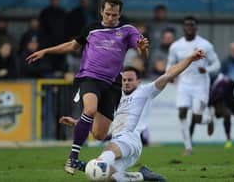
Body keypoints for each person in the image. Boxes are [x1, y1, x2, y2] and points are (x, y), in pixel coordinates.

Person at [26, 0, 149, 175]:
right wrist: (45, 51)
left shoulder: (128, 30)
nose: (111, 18)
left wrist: (143, 48)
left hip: (113, 84)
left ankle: (78, 124)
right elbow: (72, 46)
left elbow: (142, 55)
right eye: (107, 13)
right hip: (89, 77)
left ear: (120, 14)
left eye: (114, 15)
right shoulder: (91, 29)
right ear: (101, 11)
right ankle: (73, 157)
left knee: (99, 134)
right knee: (90, 110)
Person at [59, 49, 205, 181]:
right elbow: (102, 129)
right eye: (124, 80)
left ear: (138, 81)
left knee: (101, 163)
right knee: (110, 177)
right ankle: (142, 175)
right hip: (128, 146)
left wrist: (190, 58)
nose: (126, 83)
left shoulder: (145, 91)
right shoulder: (116, 98)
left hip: (128, 140)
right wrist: (77, 123)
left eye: (130, 80)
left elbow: (169, 74)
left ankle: (87, 166)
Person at [166, 16, 221, 155]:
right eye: (187, 25)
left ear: (197, 28)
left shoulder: (205, 45)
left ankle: (208, 119)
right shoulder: (176, 46)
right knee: (182, 112)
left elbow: (217, 64)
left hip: (200, 84)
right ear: (183, 28)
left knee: (196, 118)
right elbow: (170, 63)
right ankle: (188, 147)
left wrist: (207, 69)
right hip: (183, 83)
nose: (189, 28)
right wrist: (170, 75)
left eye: (192, 25)